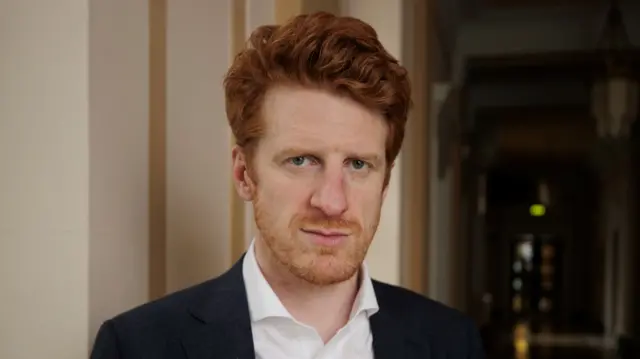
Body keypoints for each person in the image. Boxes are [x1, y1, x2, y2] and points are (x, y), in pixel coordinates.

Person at [90, 11, 484, 359]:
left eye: (359, 164)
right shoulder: (137, 347)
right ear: (245, 175)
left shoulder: (451, 342)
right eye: (301, 160)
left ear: (384, 184)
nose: (332, 202)